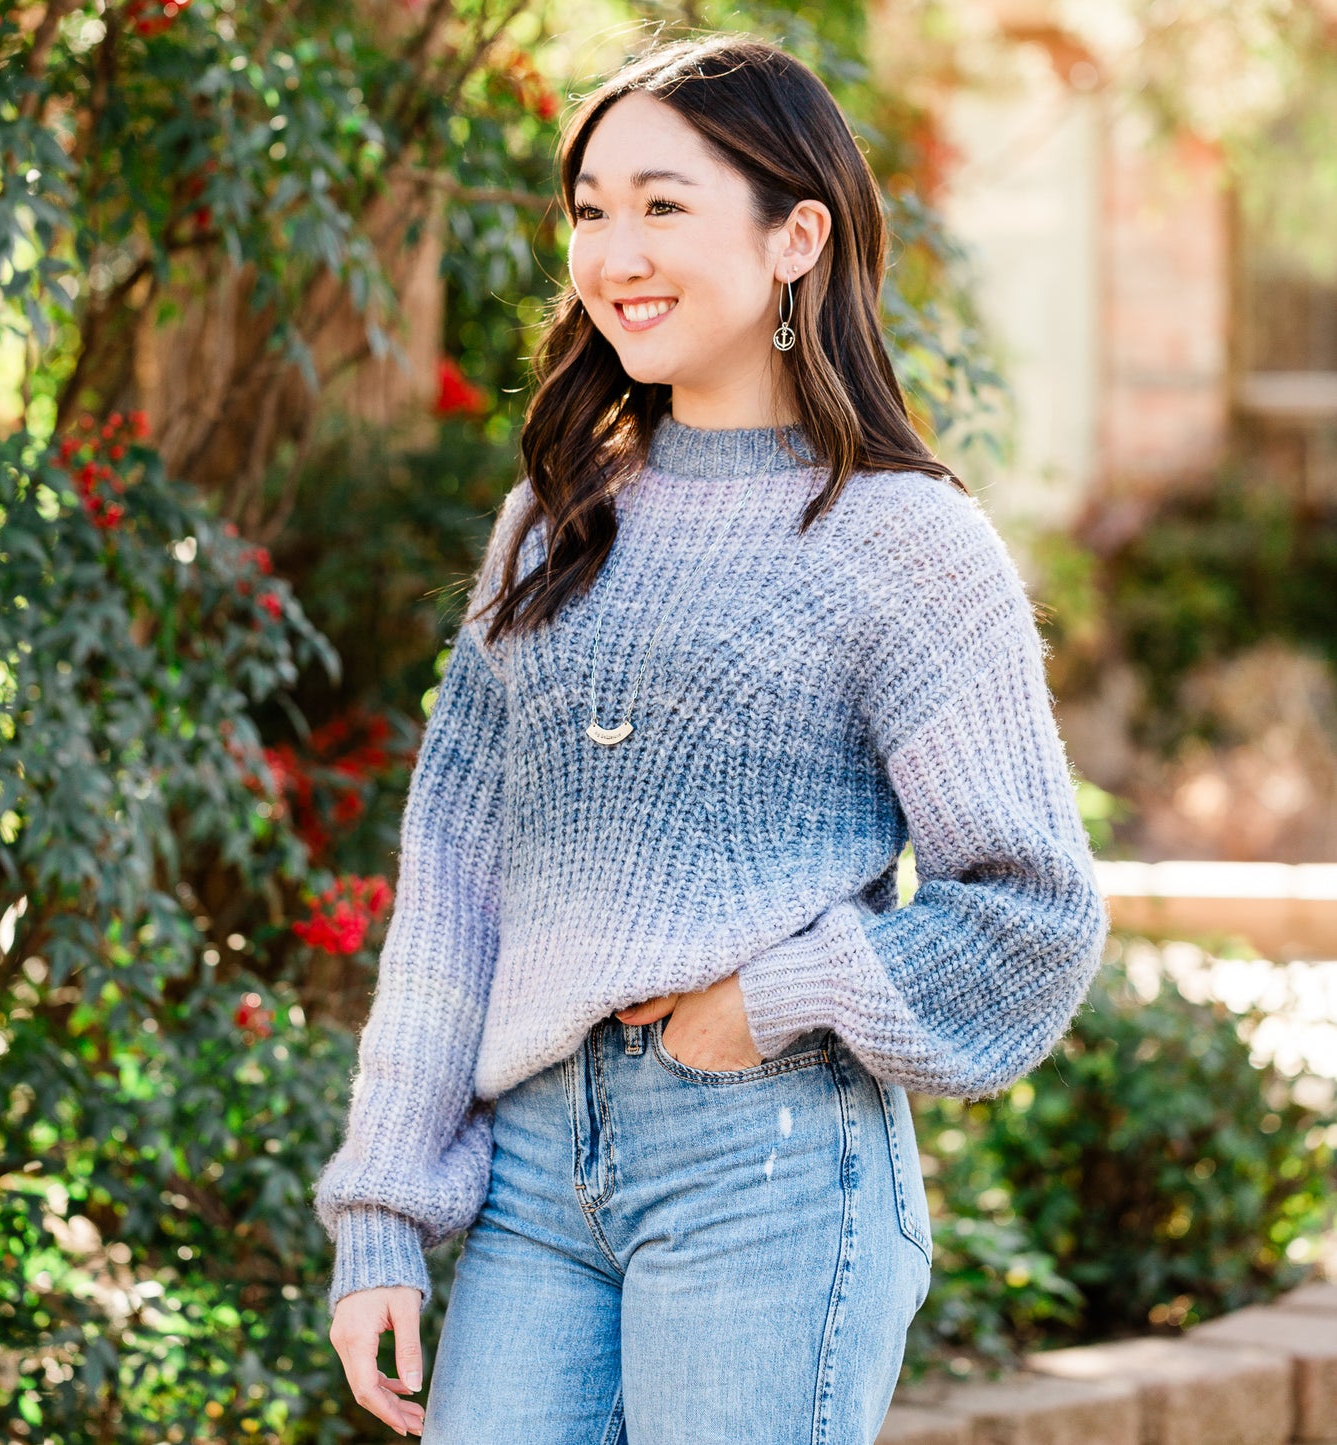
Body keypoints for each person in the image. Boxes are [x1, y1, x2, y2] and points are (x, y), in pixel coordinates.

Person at [313, 33, 1109, 1445]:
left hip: (769, 1166)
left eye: (663, 205)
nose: (614, 249)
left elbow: (1031, 910)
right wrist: (380, 1209)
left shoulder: (903, 543)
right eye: (591, 208)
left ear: (796, 233)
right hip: (533, 1174)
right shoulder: (554, 523)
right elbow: (453, 876)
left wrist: (769, 999)